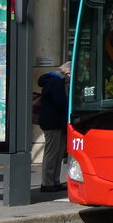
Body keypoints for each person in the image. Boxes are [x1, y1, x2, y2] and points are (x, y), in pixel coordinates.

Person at [38, 63, 69, 193]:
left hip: (55, 122)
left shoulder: (54, 81)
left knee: (57, 153)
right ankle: (47, 182)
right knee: (52, 153)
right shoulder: (55, 82)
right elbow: (60, 102)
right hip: (53, 122)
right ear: (66, 73)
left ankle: (54, 181)